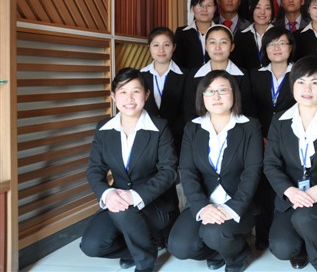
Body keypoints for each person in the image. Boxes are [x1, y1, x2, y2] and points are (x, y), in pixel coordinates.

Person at [81, 68, 178, 272]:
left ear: (146, 94)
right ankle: (142, 247)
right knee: (91, 245)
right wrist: (107, 194)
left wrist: (135, 196)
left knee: (124, 211)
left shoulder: (160, 128)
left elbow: (169, 171)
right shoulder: (104, 129)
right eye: (123, 92)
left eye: (136, 91)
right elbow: (94, 170)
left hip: (155, 204)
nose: (129, 98)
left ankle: (144, 263)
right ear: (113, 96)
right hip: (118, 201)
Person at [167, 71, 263, 272]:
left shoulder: (250, 126)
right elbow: (188, 171)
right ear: (202, 97)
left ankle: (238, 255)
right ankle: (217, 251)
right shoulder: (192, 128)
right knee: (179, 247)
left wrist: (232, 207)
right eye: (209, 91)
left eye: (222, 90)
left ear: (234, 93)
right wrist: (202, 207)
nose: (216, 96)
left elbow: (252, 173)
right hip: (205, 201)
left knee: (214, 233)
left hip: (239, 203)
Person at [264, 56, 317, 272]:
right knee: (282, 248)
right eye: (301, 82)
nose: (307, 89)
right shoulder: (279, 121)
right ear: (292, 86)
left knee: (305, 217)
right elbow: (271, 164)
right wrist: (290, 191)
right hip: (291, 197)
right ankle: (306, 244)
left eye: (314, 82)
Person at [249, 27, 297, 250]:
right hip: (261, 138)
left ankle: (287, 231)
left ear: (290, 47)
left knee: (287, 181)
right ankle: (263, 232)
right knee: (262, 185)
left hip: (292, 139)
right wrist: (261, 135)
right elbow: (250, 109)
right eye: (271, 44)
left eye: (282, 43)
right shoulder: (255, 74)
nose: (277, 48)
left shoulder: (300, 74)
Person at [183, 25, 252, 121]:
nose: (218, 47)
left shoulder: (243, 75)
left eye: (223, 42)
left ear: (232, 47)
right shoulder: (193, 75)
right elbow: (189, 111)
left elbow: (247, 110)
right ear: (206, 46)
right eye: (212, 42)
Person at [140, 27, 187, 156]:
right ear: (149, 47)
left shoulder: (185, 76)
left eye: (166, 45)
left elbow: (187, 111)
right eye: (156, 45)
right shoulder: (140, 76)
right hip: (146, 139)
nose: (161, 50)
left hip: (177, 140)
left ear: (174, 47)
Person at [230, 0, 275, 72]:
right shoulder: (240, 36)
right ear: (251, 8)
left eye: (267, 8)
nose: (262, 12)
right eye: (258, 7)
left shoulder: (280, 35)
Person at [173, 0, 217, 70]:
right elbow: (177, 63)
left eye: (209, 5)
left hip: (217, 77)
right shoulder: (181, 33)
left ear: (214, 8)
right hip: (188, 77)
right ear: (193, 8)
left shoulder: (222, 32)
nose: (204, 9)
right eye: (200, 5)